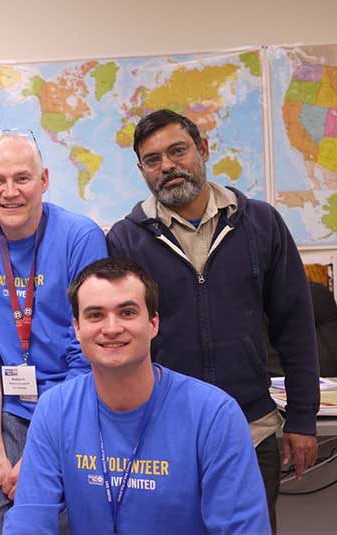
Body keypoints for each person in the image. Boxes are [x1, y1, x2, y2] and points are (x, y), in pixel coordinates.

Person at [106, 109, 319, 529]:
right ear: (142, 170)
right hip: (162, 436)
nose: (167, 166)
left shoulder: (260, 222)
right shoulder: (125, 239)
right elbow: (120, 344)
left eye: (178, 151)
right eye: (153, 160)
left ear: (202, 149)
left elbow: (295, 326)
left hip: (250, 430)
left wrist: (302, 418)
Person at [4, 257, 271, 535]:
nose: (111, 328)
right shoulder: (55, 409)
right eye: (95, 315)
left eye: (127, 313)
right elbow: (28, 520)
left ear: (153, 323)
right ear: (77, 328)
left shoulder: (214, 415)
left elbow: (243, 529)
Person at [0, 129, 107, 534]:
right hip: (11, 413)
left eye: (22, 178)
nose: (10, 192)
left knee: (59, 520)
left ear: (43, 180)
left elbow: (88, 352)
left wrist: (40, 453)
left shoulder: (80, 237)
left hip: (76, 405)